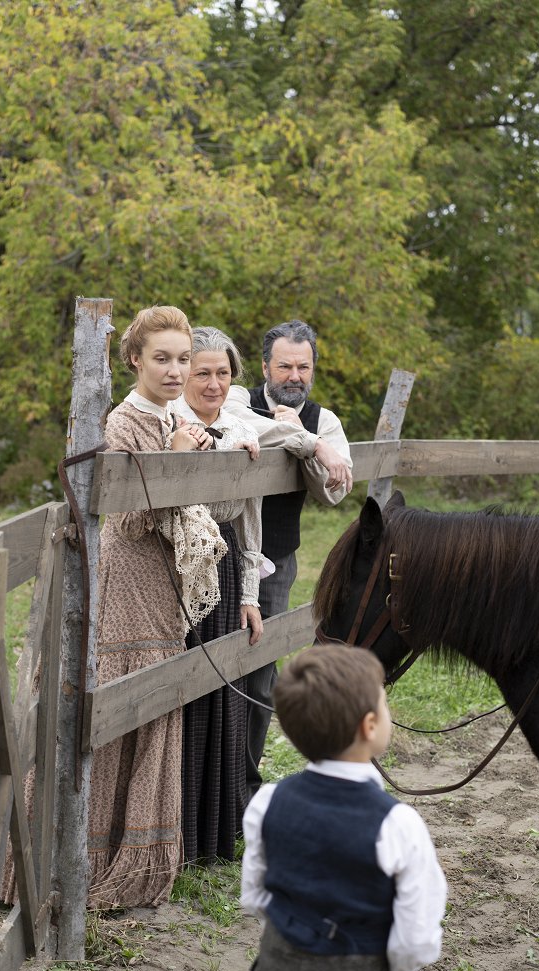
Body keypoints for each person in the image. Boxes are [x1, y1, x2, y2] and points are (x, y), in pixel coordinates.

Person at [87, 305, 221, 909]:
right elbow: (133, 514)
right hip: (127, 576)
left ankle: (140, 859)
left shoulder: (174, 415)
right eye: (162, 358)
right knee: (123, 707)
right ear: (135, 359)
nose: (175, 370)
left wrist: (194, 448)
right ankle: (91, 857)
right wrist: (177, 450)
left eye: (182, 359)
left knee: (157, 699)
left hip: (161, 581)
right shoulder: (124, 421)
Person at [241, 645, 447, 971]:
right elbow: (416, 936)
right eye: (384, 703)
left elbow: (255, 895)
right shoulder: (398, 824)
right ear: (369, 726)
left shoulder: (267, 801)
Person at [224, 319, 353, 800]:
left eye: (304, 366)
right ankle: (203, 785)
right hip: (216, 554)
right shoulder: (235, 398)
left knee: (259, 673)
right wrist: (303, 441)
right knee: (202, 665)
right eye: (285, 366)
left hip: (275, 560)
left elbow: (335, 493)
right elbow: (236, 424)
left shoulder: (325, 420)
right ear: (264, 367)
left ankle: (243, 788)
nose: (294, 376)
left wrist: (307, 438)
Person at [170, 326, 263, 864]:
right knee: (175, 691)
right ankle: (173, 831)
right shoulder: (168, 424)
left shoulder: (241, 426)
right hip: (174, 571)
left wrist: (250, 594)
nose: (212, 383)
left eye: (221, 373)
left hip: (222, 571)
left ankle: (210, 834)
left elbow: (250, 525)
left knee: (220, 692)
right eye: (201, 372)